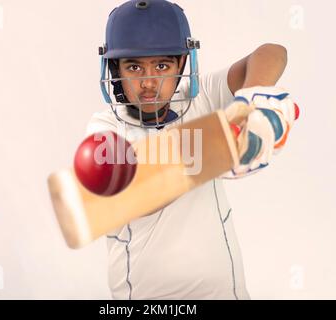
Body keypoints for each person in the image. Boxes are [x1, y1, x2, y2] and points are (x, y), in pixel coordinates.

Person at [86, 0, 299, 300]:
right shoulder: (105, 129)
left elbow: (272, 52)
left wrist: (254, 98)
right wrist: (218, 149)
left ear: (183, 64)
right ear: (114, 69)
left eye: (162, 65)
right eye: (134, 67)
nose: (149, 82)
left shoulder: (201, 100)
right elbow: (135, 191)